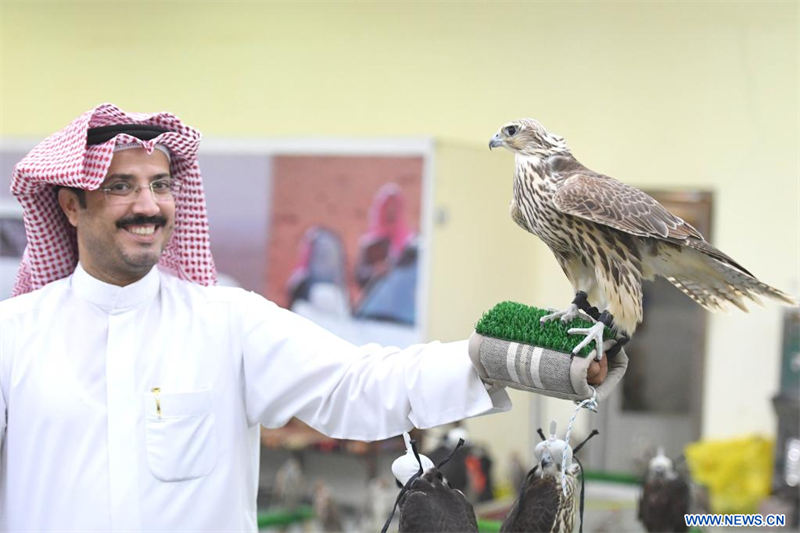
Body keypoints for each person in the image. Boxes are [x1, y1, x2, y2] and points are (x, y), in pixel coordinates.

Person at [0, 104, 608, 531]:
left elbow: (358, 386)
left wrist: (487, 359)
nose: (148, 205)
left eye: (160, 185)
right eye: (121, 187)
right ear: (71, 204)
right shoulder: (14, 335)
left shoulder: (227, 322)